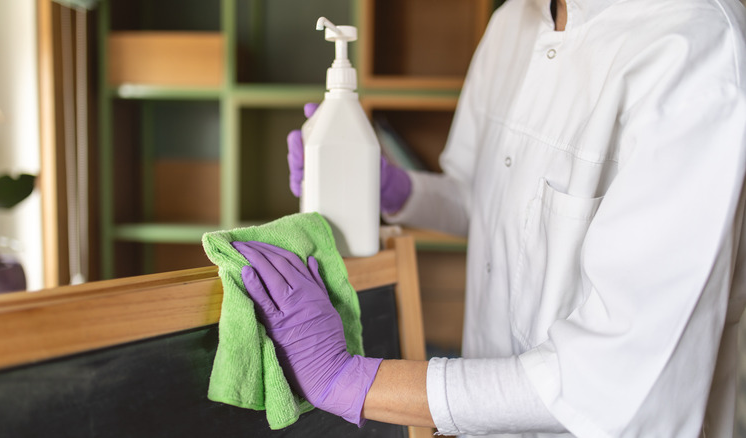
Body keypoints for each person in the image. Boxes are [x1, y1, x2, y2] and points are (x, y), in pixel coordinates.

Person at [234, 0, 746, 436]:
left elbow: (606, 374)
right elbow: (482, 201)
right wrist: (397, 190)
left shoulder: (695, 49)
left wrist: (349, 381)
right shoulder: (511, 23)